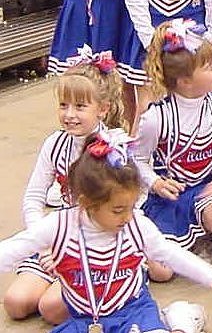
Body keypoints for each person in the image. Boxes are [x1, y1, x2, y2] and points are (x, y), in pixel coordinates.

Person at [0, 131, 212, 333]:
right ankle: (174, 317)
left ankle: (180, 319)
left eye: (131, 206)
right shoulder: (60, 225)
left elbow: (171, 254)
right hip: (84, 321)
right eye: (118, 210)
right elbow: (15, 248)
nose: (127, 216)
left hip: (133, 313)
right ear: (87, 203)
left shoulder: (136, 224)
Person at [2, 50, 125, 326]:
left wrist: (73, 253)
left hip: (98, 245)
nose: (69, 115)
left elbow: (122, 212)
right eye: (63, 105)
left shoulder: (114, 149)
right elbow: (34, 197)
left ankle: (113, 291)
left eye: (80, 107)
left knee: (51, 309)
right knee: (16, 303)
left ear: (103, 109)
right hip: (58, 239)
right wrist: (46, 244)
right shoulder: (54, 144)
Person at [133, 20, 212, 284]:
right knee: (160, 273)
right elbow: (136, 160)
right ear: (185, 81)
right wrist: (155, 182)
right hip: (169, 198)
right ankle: (175, 242)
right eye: (209, 66)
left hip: (204, 192)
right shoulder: (156, 118)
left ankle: (207, 236)